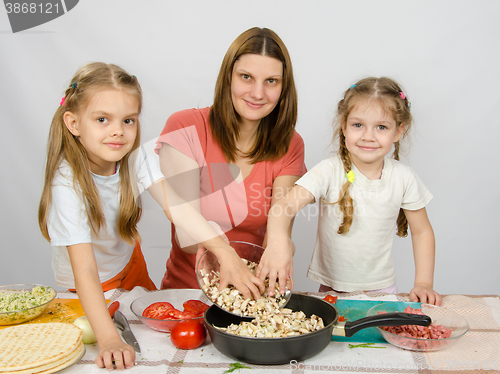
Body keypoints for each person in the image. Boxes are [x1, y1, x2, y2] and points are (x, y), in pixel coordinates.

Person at [263, 77, 442, 305]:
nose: (368, 136)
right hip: (330, 290)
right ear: (344, 125)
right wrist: (278, 242)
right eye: (358, 125)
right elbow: (284, 206)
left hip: (382, 291)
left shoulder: (404, 178)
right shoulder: (328, 171)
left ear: (398, 131)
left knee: (375, 340)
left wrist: (424, 282)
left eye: (381, 127)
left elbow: (422, 232)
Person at [38, 62, 170, 370]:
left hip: (129, 263)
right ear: (73, 123)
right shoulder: (66, 183)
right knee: (110, 338)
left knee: (148, 333)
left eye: (128, 120)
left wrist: (221, 249)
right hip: (84, 281)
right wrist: (109, 340)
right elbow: (85, 271)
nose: (118, 132)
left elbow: (177, 207)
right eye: (102, 119)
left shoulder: (134, 157)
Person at [156, 27, 306, 297]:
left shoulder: (290, 144)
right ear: (228, 77)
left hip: (252, 298)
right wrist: (228, 256)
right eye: (246, 77)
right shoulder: (185, 127)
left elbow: (280, 221)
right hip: (186, 296)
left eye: (271, 81)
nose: (258, 93)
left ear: (284, 88)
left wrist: (281, 244)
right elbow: (187, 237)